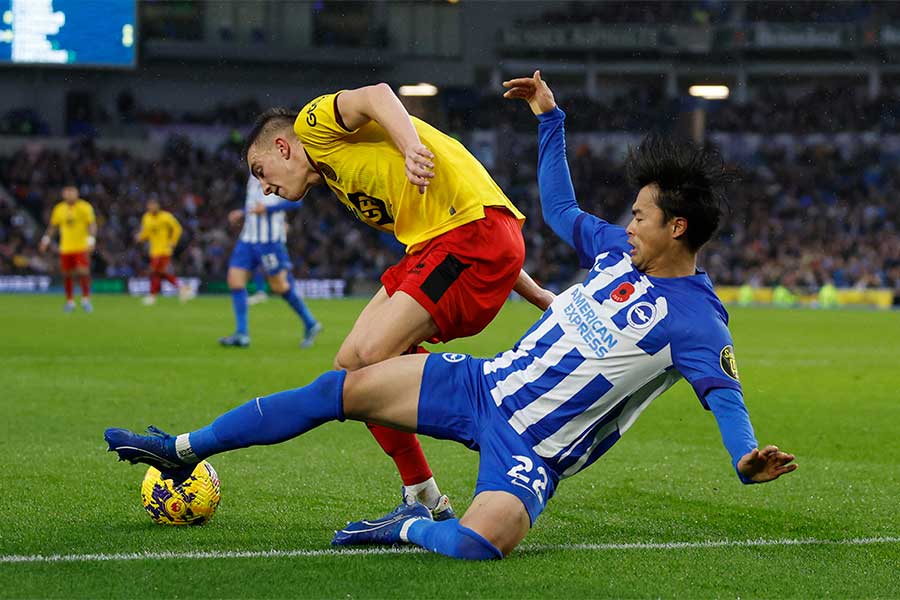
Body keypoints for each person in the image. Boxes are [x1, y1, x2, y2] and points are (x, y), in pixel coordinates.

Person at [104, 71, 796, 560]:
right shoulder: (617, 250)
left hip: (532, 448)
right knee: (340, 380)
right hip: (482, 382)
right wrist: (550, 120)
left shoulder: (698, 319)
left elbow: (722, 393)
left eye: (640, 215)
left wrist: (744, 457)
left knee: (474, 543)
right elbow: (554, 210)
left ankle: (409, 522)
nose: (627, 222)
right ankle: (185, 449)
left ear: (676, 228)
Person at [238, 82, 554, 518]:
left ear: (281, 146)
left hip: (464, 234)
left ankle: (487, 402)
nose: (264, 187)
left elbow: (376, 94)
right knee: (349, 366)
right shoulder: (341, 179)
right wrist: (537, 294)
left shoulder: (313, 125)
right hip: (448, 240)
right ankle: (422, 493)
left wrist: (410, 148)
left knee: (373, 353)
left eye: (259, 169)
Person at [219, 176, 321, 349]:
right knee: (234, 280)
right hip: (248, 238)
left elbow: (296, 203)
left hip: (269, 241)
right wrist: (242, 213)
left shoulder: (278, 174)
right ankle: (242, 334)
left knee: (280, 286)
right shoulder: (252, 176)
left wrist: (268, 208)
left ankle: (310, 323)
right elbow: (254, 204)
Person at [39, 184, 96, 313]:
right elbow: (53, 227)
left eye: (72, 192)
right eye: (67, 192)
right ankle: (70, 302)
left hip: (81, 246)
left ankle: (86, 299)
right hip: (65, 247)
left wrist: (91, 240)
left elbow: (92, 224)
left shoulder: (85, 207)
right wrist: (45, 240)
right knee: (66, 274)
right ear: (63, 194)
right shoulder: (59, 209)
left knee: (83, 271)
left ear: (77, 193)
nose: (69, 195)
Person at [135, 198, 194, 305]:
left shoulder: (166, 216)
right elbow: (146, 233)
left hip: (164, 250)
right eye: (150, 205)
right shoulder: (146, 217)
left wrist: (173, 242)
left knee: (154, 272)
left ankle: (152, 296)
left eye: (153, 205)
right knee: (159, 273)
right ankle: (182, 288)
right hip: (154, 251)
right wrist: (140, 237)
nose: (151, 207)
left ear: (158, 206)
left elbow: (177, 228)